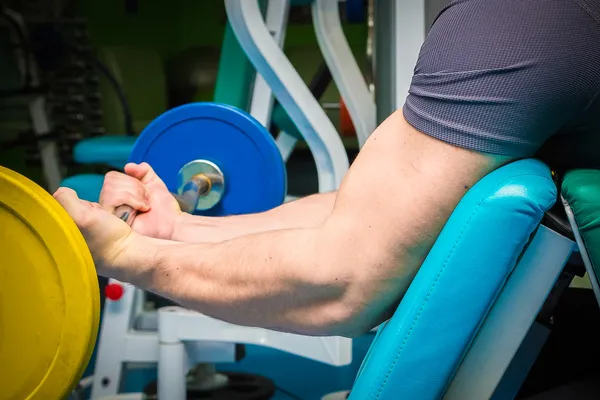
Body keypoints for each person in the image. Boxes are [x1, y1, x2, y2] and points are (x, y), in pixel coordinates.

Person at [54, 0, 600, 338]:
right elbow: (365, 217)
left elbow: (338, 283)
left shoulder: (513, 26)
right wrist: (177, 230)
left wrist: (128, 255)